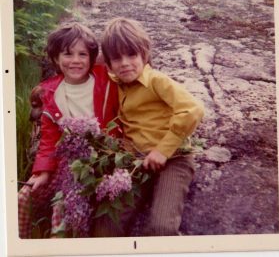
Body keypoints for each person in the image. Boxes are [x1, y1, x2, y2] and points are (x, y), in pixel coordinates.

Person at [99, 17, 205, 236]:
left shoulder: (157, 81)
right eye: (117, 58)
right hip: (138, 162)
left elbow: (192, 109)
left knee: (161, 227)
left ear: (144, 54)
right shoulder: (114, 82)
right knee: (106, 225)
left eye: (132, 55)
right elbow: (84, 63)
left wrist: (162, 150)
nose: (125, 63)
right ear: (108, 63)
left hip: (173, 158)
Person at [18, 22, 119, 238]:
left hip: (100, 161)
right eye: (67, 54)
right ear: (55, 58)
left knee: (64, 208)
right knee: (23, 197)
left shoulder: (105, 79)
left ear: (92, 58)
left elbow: (117, 57)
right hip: (66, 161)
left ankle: (66, 242)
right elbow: (49, 138)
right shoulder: (50, 91)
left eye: (82, 54)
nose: (75, 60)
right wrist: (42, 171)